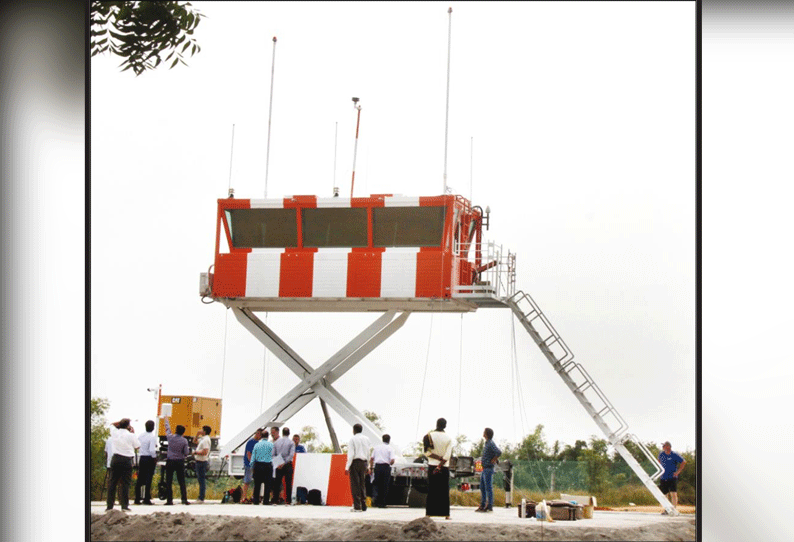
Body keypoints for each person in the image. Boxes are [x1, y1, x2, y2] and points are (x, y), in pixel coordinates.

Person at [106, 418, 140, 512]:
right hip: (127, 460)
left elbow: (111, 424)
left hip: (116, 458)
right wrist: (133, 432)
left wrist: (119, 423)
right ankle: (124, 505)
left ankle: (109, 506)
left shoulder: (115, 432)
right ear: (128, 426)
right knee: (125, 484)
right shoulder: (131, 435)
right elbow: (137, 446)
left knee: (112, 483)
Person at [424, 418, 453, 519]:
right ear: (445, 426)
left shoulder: (428, 436)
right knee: (444, 491)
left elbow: (427, 452)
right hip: (444, 467)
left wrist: (437, 460)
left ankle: (429, 513)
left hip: (432, 465)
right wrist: (440, 464)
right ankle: (446, 514)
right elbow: (448, 455)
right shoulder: (448, 438)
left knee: (431, 490)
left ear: (436, 424)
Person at [163, 415, 191, 505]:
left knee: (169, 481)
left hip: (170, 461)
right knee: (181, 481)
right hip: (180, 461)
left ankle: (169, 500)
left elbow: (167, 429)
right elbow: (186, 453)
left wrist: (166, 420)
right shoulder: (184, 441)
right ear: (183, 432)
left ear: (175, 430)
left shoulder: (170, 438)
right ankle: (184, 499)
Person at [345, 423, 371, 512]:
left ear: (354, 430)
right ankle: (364, 505)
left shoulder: (352, 439)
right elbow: (368, 453)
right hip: (364, 463)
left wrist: (347, 467)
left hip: (355, 463)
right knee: (362, 484)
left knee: (355, 484)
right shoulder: (367, 439)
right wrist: (368, 466)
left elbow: (351, 454)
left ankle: (357, 506)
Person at [476, 427, 501, 512]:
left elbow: (498, 452)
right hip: (484, 468)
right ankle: (483, 504)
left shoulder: (490, 443)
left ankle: (489, 505)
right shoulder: (487, 443)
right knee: (482, 487)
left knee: (488, 488)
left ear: (486, 434)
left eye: (484, 432)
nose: (483, 433)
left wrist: (494, 459)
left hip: (488, 468)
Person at [658, 441, 686, 513]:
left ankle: (673, 509)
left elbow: (683, 462)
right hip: (663, 477)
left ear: (668, 447)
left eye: (664, 446)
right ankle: (666, 509)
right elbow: (658, 462)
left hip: (672, 477)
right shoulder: (661, 454)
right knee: (664, 494)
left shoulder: (674, 454)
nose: (663, 447)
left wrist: (678, 472)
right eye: (663, 446)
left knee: (673, 493)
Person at [134, 420, 158, 505]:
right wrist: (155, 457)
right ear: (153, 427)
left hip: (142, 457)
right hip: (149, 458)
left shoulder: (141, 435)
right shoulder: (152, 437)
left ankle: (137, 498)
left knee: (140, 478)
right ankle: (146, 498)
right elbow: (152, 449)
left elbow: (138, 445)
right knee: (148, 478)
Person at [370, 434, 395, 508]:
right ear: (389, 440)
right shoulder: (390, 448)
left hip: (377, 467)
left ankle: (376, 501)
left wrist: (371, 468)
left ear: (382, 439)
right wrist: (389, 464)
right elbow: (392, 460)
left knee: (377, 484)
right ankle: (382, 502)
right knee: (385, 485)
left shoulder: (376, 447)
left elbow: (372, 459)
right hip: (386, 467)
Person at [272, 427, 296, 504]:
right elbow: (291, 455)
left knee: (277, 483)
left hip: (278, 464)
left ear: (282, 433)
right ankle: (288, 500)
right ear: (289, 433)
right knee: (288, 483)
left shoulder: (276, 443)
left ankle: (275, 499)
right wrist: (284, 462)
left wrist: (278, 463)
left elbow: (272, 455)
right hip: (287, 464)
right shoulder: (291, 443)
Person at [251, 430, 274, 505]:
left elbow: (253, 456)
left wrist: (252, 465)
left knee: (257, 484)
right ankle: (266, 501)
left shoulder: (257, 445)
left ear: (261, 436)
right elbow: (274, 455)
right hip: (268, 465)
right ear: (268, 436)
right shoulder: (271, 445)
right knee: (267, 484)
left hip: (258, 465)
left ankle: (256, 500)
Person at [241, 428, 262, 502]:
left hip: (254, 463)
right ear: (257, 434)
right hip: (249, 464)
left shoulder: (257, 442)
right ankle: (243, 497)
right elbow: (249, 454)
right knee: (247, 481)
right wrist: (252, 463)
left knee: (254, 481)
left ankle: (253, 496)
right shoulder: (251, 442)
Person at [194, 425, 212, 503]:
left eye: (202, 430)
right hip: (199, 461)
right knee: (200, 480)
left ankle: (201, 497)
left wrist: (195, 452)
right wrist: (197, 435)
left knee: (201, 480)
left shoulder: (206, 440)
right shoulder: (203, 439)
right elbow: (194, 441)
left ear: (204, 431)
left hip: (202, 462)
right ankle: (200, 497)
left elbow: (205, 452)